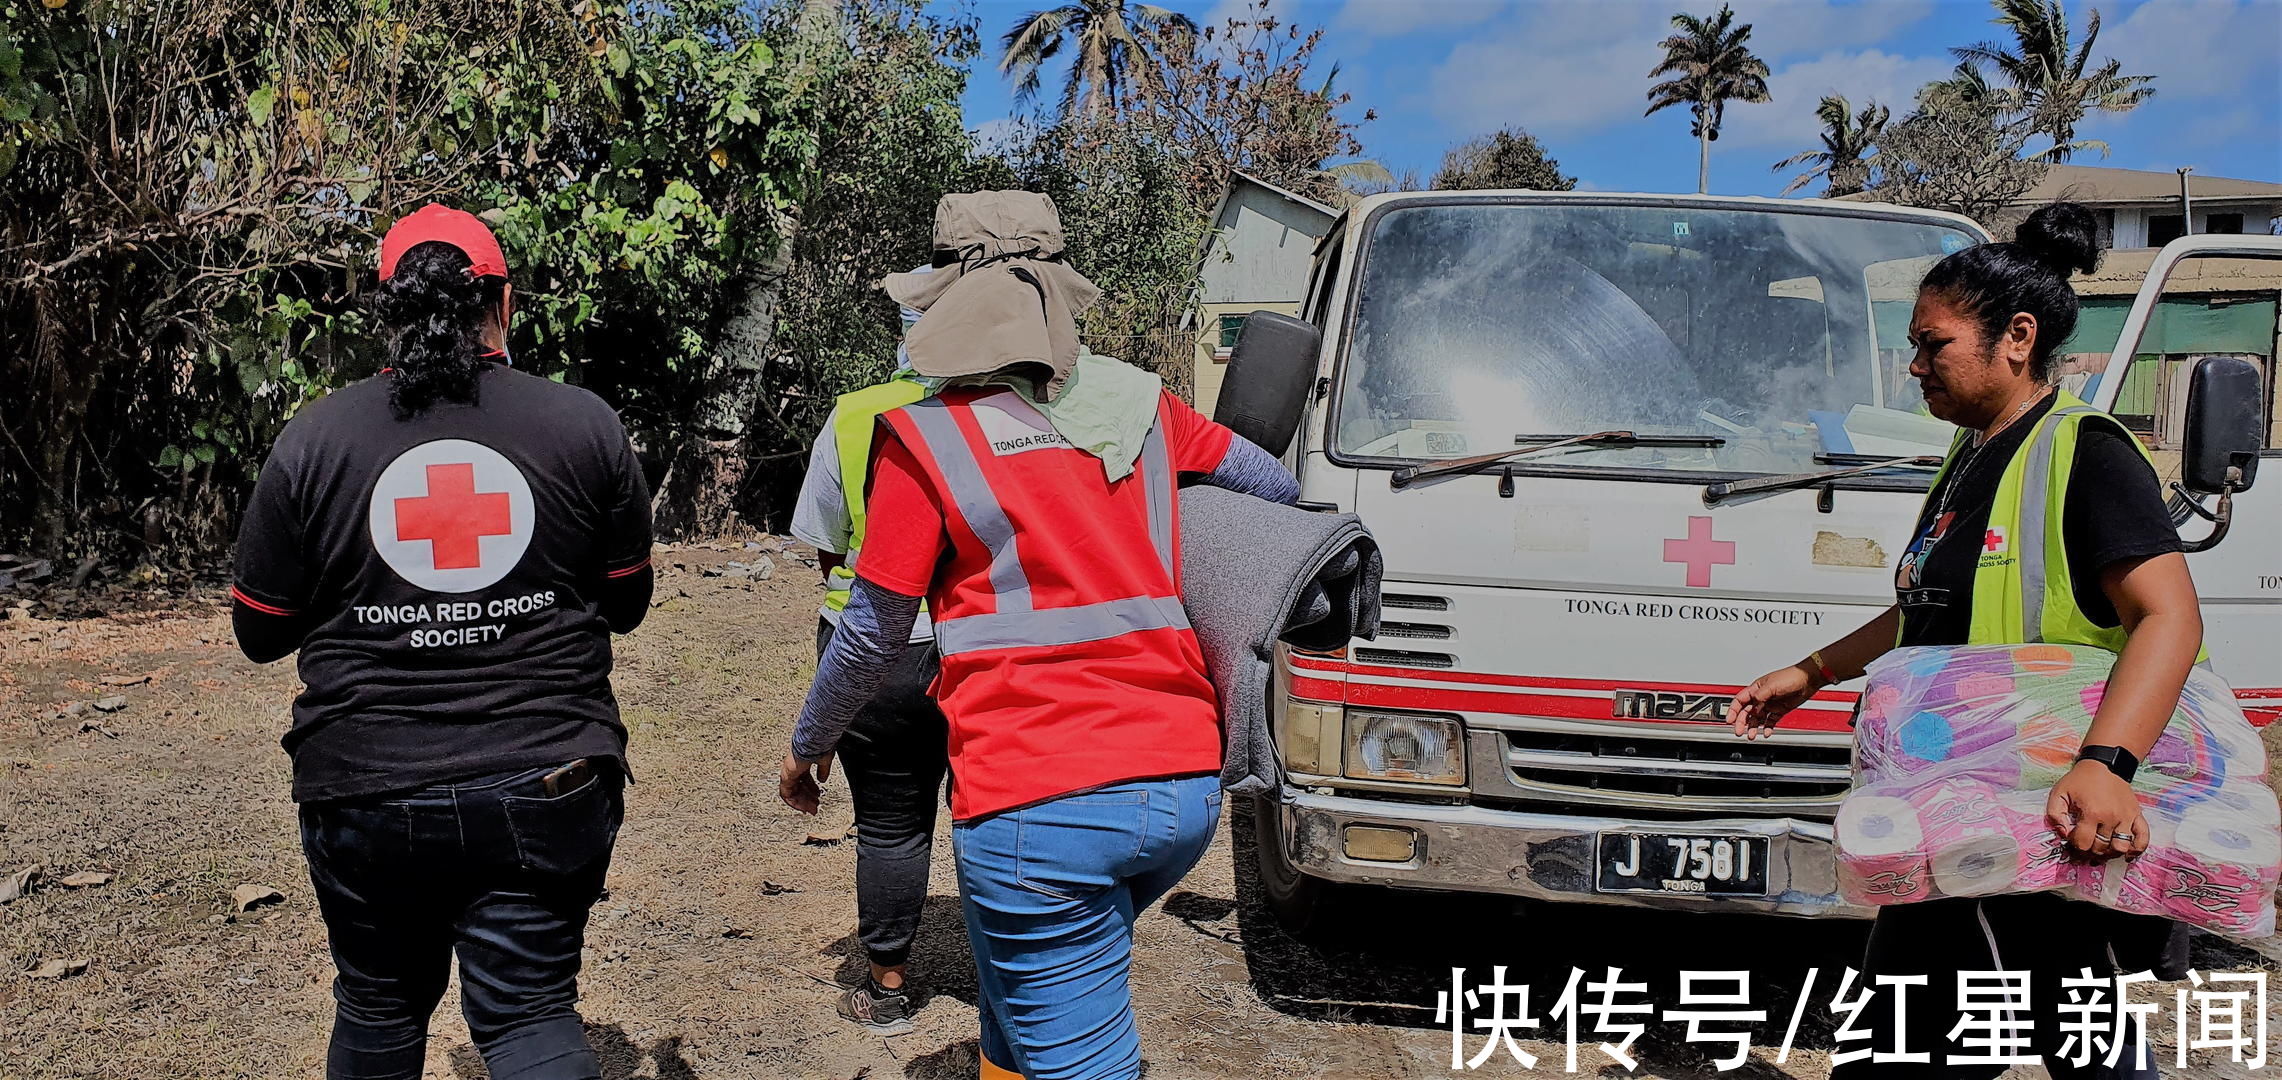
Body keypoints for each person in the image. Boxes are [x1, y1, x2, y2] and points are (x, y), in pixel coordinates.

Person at [777, 190, 1298, 1080]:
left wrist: (809, 746)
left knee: (1082, 1054)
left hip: (1039, 799)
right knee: (1028, 1009)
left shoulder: (923, 440)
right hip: (1178, 788)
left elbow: (869, 635)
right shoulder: (1143, 407)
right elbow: (1272, 489)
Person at [1728, 203, 2201, 1080]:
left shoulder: (2085, 453)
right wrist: (1814, 671)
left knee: (2036, 1017)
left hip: (2036, 802)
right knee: (1976, 1019)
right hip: (1960, 800)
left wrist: (2106, 764)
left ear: (2016, 338)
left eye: (1932, 343)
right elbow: (1928, 610)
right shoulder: (1975, 457)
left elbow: (2167, 616)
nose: (1914, 366)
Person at [231, 204, 654, 1080]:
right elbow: (627, 601)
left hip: (365, 787)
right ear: (502, 302)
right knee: (531, 1013)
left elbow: (259, 630)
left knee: (379, 1009)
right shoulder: (580, 424)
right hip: (548, 777)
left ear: (388, 308)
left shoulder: (316, 437)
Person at [786, 272, 947, 1034]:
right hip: (979, 648)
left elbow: (827, 545)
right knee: (990, 814)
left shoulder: (854, 417)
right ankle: (1022, 978)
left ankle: (886, 990)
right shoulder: (1007, 415)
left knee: (890, 823)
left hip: (871, 651)